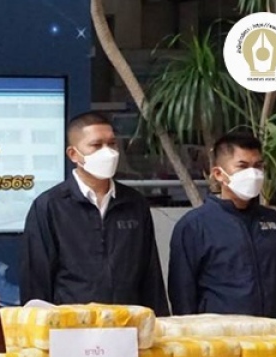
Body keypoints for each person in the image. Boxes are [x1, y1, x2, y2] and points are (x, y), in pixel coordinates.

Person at [19, 111, 170, 314]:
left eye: (112, 144)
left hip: (127, 320)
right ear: (73, 154)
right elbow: (37, 278)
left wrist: (157, 320)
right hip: (72, 323)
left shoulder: (134, 203)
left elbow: (150, 273)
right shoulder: (50, 206)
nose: (108, 152)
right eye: (96, 145)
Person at [167, 131, 276, 324]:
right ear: (219, 174)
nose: (253, 174)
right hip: (220, 336)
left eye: (258, 166)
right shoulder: (194, 226)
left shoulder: (273, 221)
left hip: (272, 333)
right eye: (242, 166)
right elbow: (182, 294)